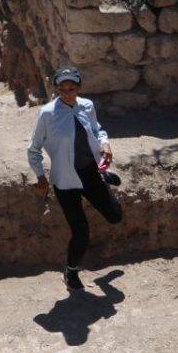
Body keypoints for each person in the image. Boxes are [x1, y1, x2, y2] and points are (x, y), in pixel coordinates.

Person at [28, 65, 122, 290]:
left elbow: (97, 130)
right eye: (63, 89)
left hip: (89, 172)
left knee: (115, 216)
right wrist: (41, 177)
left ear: (78, 87)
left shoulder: (87, 106)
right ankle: (71, 272)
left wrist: (105, 143)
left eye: (72, 88)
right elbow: (33, 149)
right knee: (81, 232)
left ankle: (104, 176)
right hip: (65, 181)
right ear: (57, 89)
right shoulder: (48, 114)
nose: (68, 93)